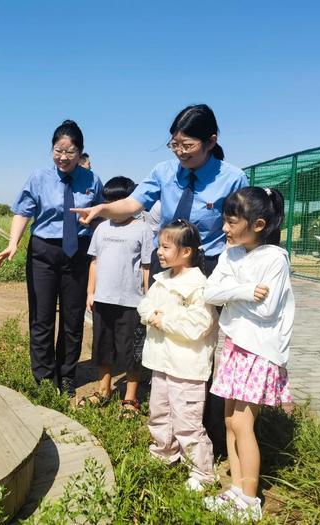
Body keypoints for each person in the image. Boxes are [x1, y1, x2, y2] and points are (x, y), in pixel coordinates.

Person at [71, 104, 249, 451]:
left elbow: (237, 227)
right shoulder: (164, 171)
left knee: (200, 340)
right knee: (159, 330)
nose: (180, 152)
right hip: (166, 260)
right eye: (175, 145)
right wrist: (102, 210)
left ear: (211, 141)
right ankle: (162, 407)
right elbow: (133, 204)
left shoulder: (232, 177)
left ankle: (202, 422)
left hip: (207, 264)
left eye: (188, 146)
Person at [202, 187, 294, 522]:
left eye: (231, 221)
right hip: (236, 346)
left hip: (259, 350)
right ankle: (237, 490)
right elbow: (209, 291)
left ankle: (250, 499)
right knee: (229, 420)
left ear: (257, 224)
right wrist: (243, 291)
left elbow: (267, 308)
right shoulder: (231, 253)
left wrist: (232, 295)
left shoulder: (274, 259)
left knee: (243, 423)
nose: (224, 229)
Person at [0, 120, 104, 397]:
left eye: (70, 152)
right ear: (52, 150)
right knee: (42, 317)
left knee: (73, 317)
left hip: (77, 252)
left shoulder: (92, 181)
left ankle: (66, 375)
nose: (63, 158)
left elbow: (99, 216)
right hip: (43, 252)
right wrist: (13, 243)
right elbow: (23, 211)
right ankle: (43, 379)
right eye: (58, 151)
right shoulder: (39, 177)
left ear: (81, 153)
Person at [138, 220, 218, 491]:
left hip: (186, 366)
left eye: (165, 246)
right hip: (161, 362)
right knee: (159, 411)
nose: (159, 252)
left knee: (187, 420)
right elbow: (145, 307)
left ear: (186, 252)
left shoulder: (199, 285)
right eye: (159, 246)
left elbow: (197, 326)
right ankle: (164, 452)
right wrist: (153, 315)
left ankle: (201, 471)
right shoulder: (161, 280)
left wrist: (163, 319)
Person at [80, 176, 153, 417]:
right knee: (103, 347)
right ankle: (104, 390)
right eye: (108, 202)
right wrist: (91, 292)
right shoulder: (101, 228)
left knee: (131, 349)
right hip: (103, 299)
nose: (112, 208)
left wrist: (148, 297)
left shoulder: (143, 229)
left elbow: (146, 266)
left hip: (131, 302)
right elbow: (94, 262)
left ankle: (130, 398)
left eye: (117, 202)